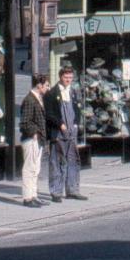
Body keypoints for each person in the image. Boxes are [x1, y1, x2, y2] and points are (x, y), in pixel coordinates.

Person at [44, 67, 87, 202]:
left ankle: (72, 190)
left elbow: (78, 108)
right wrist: (60, 124)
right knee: (57, 162)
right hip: (58, 133)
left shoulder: (73, 92)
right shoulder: (52, 93)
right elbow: (49, 114)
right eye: (65, 78)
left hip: (71, 133)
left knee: (73, 160)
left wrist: (75, 123)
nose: (68, 80)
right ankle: (56, 192)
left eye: (70, 78)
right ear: (60, 77)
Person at [19, 74, 50, 207]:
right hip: (31, 139)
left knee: (35, 169)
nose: (48, 88)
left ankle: (34, 195)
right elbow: (24, 122)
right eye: (46, 85)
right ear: (39, 85)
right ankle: (27, 198)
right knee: (29, 168)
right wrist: (34, 133)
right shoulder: (29, 100)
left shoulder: (38, 98)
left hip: (38, 139)